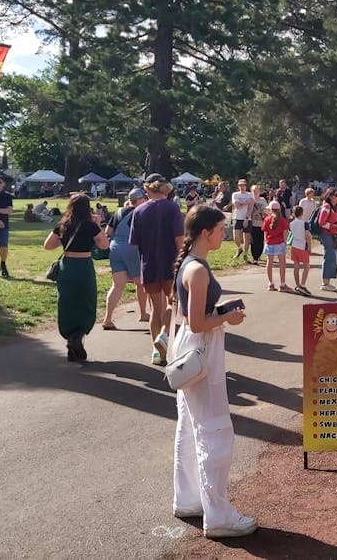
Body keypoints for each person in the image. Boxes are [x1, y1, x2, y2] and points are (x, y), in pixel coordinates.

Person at [170, 205, 256, 539]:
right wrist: (226, 318)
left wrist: (219, 312)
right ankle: (218, 516)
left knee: (191, 428)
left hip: (192, 346)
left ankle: (190, 499)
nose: (224, 234)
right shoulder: (198, 270)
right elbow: (197, 321)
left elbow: (190, 315)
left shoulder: (190, 265)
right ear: (206, 232)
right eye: (221, 229)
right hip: (202, 347)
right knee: (214, 430)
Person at [43, 194, 108, 361]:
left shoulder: (63, 224)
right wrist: (98, 225)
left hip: (67, 266)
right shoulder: (90, 226)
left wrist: (62, 240)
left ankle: (70, 337)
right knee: (86, 301)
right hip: (84, 265)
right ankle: (79, 334)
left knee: (67, 302)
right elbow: (104, 245)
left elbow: (48, 245)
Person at [129, 174, 185, 366]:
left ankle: (156, 351)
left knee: (155, 308)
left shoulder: (139, 210)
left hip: (149, 264)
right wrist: (183, 261)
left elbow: (135, 242)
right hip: (171, 263)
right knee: (173, 303)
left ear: (147, 189)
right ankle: (164, 335)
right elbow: (179, 239)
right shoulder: (173, 208)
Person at [102, 188, 151, 329]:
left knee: (117, 286)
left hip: (115, 247)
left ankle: (108, 318)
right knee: (140, 283)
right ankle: (143, 313)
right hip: (132, 248)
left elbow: (108, 231)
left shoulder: (118, 212)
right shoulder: (140, 213)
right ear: (140, 200)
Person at [315, 188, 337, 291]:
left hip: (331, 235)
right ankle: (325, 283)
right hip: (327, 234)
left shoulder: (331, 207)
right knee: (330, 256)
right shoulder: (327, 207)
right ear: (331, 196)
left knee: (333, 256)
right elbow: (321, 222)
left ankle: (326, 282)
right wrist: (335, 226)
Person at [261, 200, 291, 292]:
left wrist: (265, 242)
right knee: (282, 263)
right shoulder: (283, 221)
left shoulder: (267, 220)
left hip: (270, 243)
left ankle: (270, 283)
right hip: (280, 243)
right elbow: (285, 234)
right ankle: (282, 284)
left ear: (270, 209)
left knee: (269, 263)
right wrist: (285, 243)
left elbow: (265, 233)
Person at [288, 205, 312, 295]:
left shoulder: (291, 223)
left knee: (296, 265)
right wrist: (309, 247)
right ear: (302, 213)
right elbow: (308, 236)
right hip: (302, 246)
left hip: (294, 246)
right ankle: (302, 285)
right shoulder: (304, 223)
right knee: (306, 266)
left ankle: (297, 284)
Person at [230, 179, 254, 262]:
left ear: (246, 186)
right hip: (237, 217)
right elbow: (237, 206)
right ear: (238, 186)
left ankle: (245, 254)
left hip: (247, 218)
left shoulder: (250, 195)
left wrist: (247, 218)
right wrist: (246, 203)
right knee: (235, 235)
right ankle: (239, 248)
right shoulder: (235, 194)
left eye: (243, 185)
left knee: (246, 237)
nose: (242, 187)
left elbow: (250, 208)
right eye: (240, 185)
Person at [248, 184, 267, 264]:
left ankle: (259, 255)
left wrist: (261, 212)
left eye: (256, 190)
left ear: (259, 191)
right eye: (253, 190)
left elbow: (267, 212)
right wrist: (255, 212)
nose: (255, 192)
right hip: (252, 223)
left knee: (260, 240)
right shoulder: (250, 200)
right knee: (253, 241)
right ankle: (254, 257)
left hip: (261, 224)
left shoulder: (263, 200)